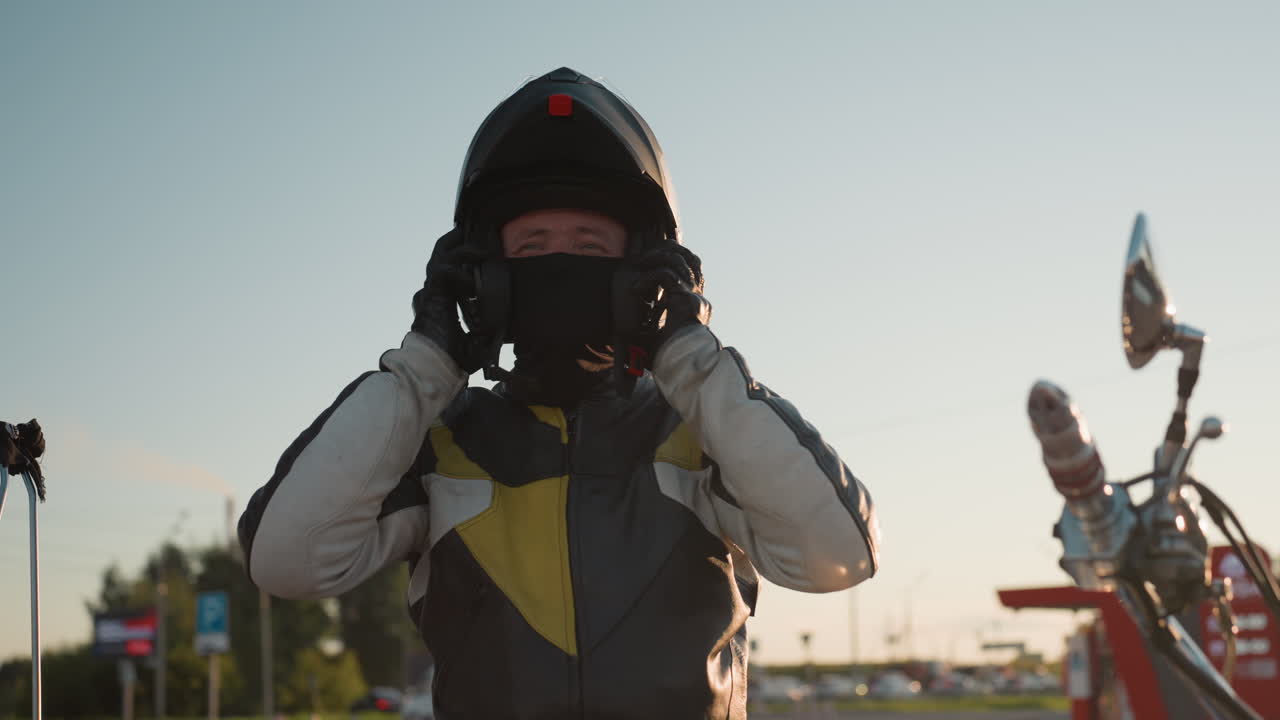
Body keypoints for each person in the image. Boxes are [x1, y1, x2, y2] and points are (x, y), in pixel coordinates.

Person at [239, 67, 879, 720]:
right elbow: (287, 561)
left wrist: (691, 358)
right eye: (533, 246)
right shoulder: (440, 441)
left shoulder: (704, 431)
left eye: (590, 245)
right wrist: (422, 367)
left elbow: (836, 556)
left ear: (642, 271)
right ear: (488, 280)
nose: (559, 262)